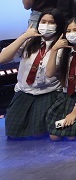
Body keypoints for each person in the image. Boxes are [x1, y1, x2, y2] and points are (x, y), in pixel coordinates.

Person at [0, 8, 65, 138]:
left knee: (39, 133)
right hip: (25, 91)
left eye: (51, 22)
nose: (46, 25)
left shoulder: (61, 45)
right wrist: (24, 36)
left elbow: (51, 73)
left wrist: (54, 49)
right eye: (43, 21)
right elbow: (2, 58)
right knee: (13, 131)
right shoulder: (29, 41)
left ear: (58, 25)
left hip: (48, 92)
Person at [44, 17, 76, 140]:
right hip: (66, 95)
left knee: (72, 136)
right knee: (54, 136)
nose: (72, 34)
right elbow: (49, 73)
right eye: (68, 31)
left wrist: (75, 110)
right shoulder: (63, 51)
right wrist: (54, 49)